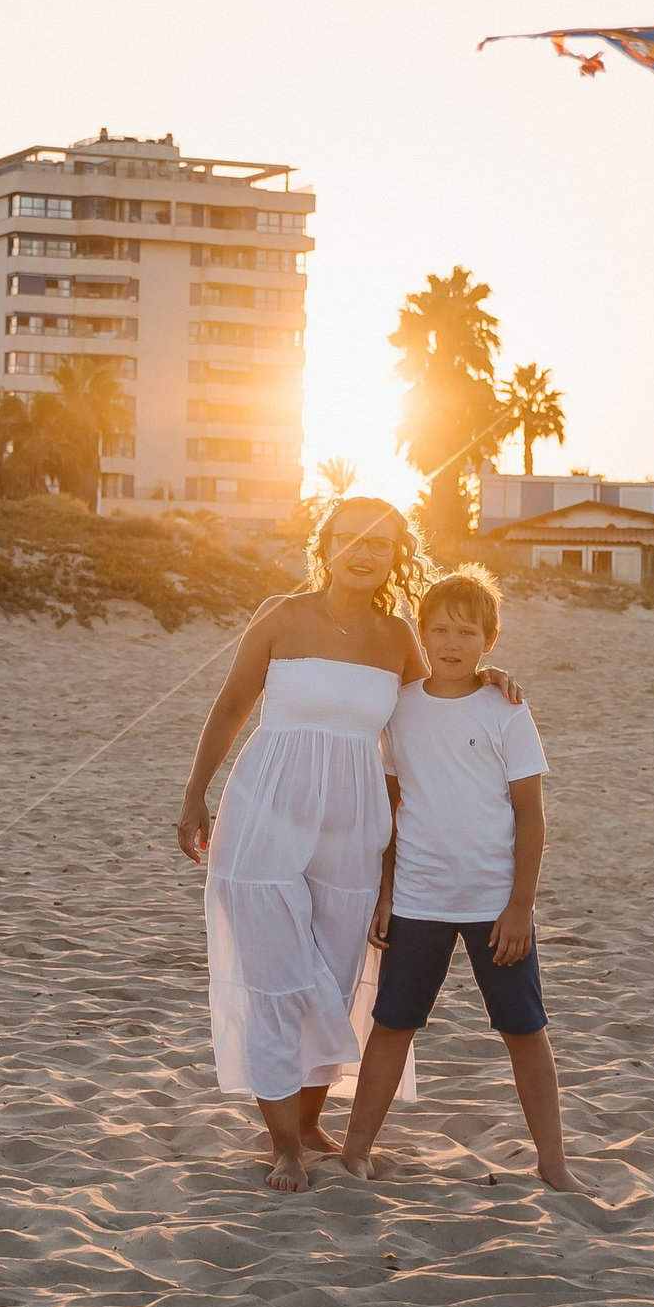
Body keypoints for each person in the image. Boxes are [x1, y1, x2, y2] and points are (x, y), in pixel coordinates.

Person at [177, 497, 444, 1189]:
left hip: (356, 828)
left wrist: (495, 682)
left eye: (379, 544)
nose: (363, 552)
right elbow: (232, 705)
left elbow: (434, 722)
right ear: (325, 544)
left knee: (335, 973)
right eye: (350, 538)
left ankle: (310, 1117)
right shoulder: (282, 616)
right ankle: (283, 1144)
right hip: (265, 808)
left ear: (396, 557)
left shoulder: (399, 638)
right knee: (276, 981)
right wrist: (194, 792)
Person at [339, 567, 572, 1188]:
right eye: (439, 629)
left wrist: (521, 905)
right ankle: (357, 1150)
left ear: (489, 640)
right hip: (418, 898)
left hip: (496, 903)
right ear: (421, 633)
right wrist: (385, 893)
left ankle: (554, 1164)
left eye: (467, 632)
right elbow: (389, 809)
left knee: (525, 1030)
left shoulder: (508, 709)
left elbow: (530, 814)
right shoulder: (401, 708)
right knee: (393, 1024)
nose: (451, 642)